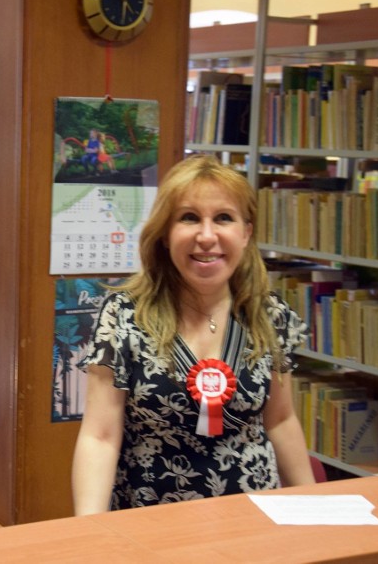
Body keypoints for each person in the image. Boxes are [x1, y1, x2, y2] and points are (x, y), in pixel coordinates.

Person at [71, 154, 314, 515]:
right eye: (188, 218)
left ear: (245, 233)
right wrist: (88, 532)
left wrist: (315, 510)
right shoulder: (123, 317)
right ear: (166, 235)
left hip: (252, 517)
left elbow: (280, 419)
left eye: (223, 218)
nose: (206, 236)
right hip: (153, 520)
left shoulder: (270, 315)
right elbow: (100, 437)